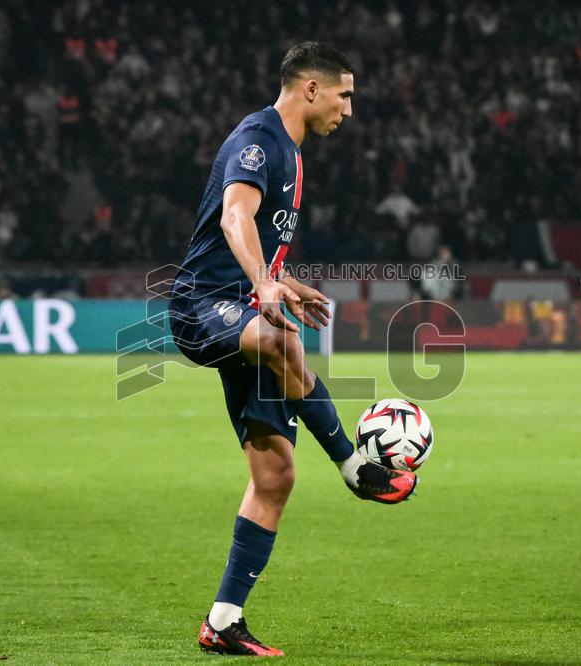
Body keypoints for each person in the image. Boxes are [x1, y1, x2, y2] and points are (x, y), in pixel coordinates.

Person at [167, 42, 417, 657]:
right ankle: (356, 468)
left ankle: (222, 622)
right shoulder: (259, 138)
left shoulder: (295, 155)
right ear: (311, 88)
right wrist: (263, 282)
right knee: (283, 338)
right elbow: (234, 218)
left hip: (245, 305)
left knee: (275, 475)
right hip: (203, 305)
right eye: (345, 95)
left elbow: (255, 239)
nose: (349, 110)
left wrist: (283, 278)